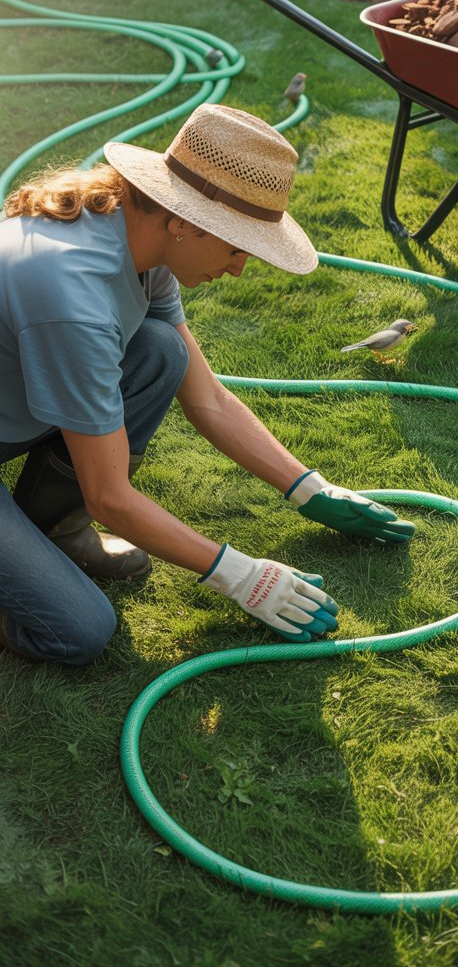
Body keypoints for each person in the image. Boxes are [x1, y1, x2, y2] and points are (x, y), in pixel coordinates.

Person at [0, 104, 414, 665]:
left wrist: (308, 487)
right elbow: (110, 496)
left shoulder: (142, 242)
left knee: (159, 351)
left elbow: (207, 396)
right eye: (237, 246)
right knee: (80, 631)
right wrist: (241, 576)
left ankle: (50, 533)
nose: (240, 267)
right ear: (185, 222)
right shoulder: (74, 299)